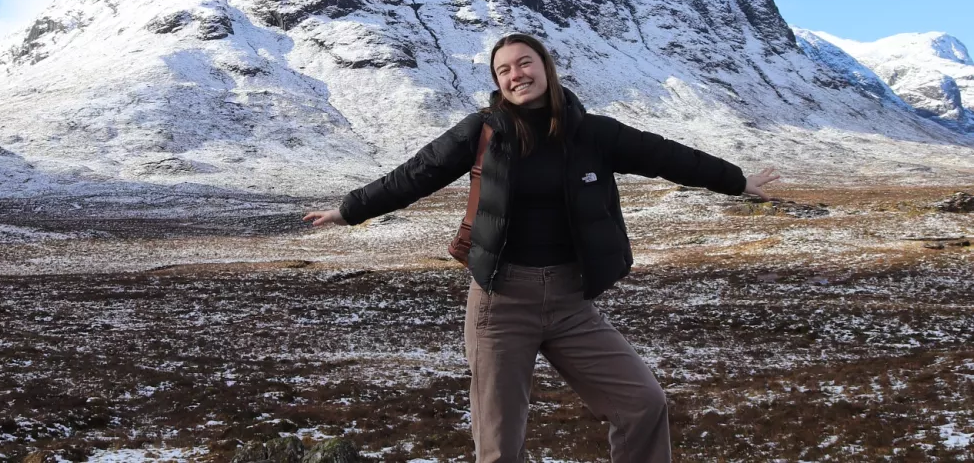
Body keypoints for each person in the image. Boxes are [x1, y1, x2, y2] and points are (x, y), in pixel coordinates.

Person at [304, 32, 780, 462]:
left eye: (524, 63)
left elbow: (668, 157)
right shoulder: (483, 131)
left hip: (573, 302)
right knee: (499, 446)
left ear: (546, 67)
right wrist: (350, 210)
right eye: (504, 70)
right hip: (501, 303)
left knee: (642, 404)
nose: (516, 75)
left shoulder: (593, 133)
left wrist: (737, 181)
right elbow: (416, 173)